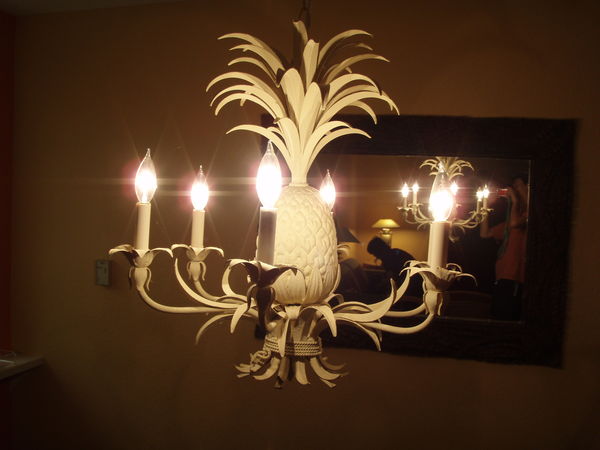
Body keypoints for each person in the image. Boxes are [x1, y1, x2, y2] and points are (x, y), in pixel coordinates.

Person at [480, 174, 528, 320]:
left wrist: (514, 201)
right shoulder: (513, 218)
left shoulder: (529, 215)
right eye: (514, 187)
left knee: (508, 317)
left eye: (519, 186)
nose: (516, 190)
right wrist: (485, 207)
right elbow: (485, 234)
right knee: (496, 316)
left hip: (516, 277)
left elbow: (515, 223)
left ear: (529, 188)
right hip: (502, 276)